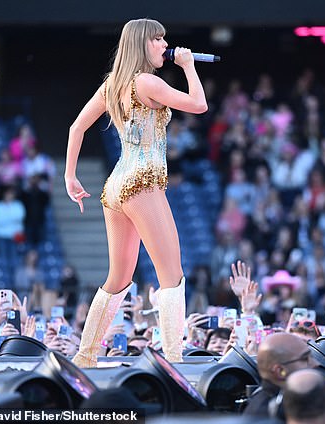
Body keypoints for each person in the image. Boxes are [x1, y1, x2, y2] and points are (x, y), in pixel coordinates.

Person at [65, 18, 207, 367]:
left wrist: (70, 175)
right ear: (142, 43)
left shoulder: (114, 84)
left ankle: (86, 356)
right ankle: (174, 360)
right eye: (158, 39)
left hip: (116, 186)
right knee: (171, 274)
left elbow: (76, 126)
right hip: (143, 182)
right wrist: (188, 67)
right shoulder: (148, 82)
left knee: (118, 278)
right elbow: (199, 104)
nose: (165, 45)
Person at [244, 332, 319, 417]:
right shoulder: (266, 413)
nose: (316, 363)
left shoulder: (292, 398)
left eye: (311, 356)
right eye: (305, 359)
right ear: (280, 371)